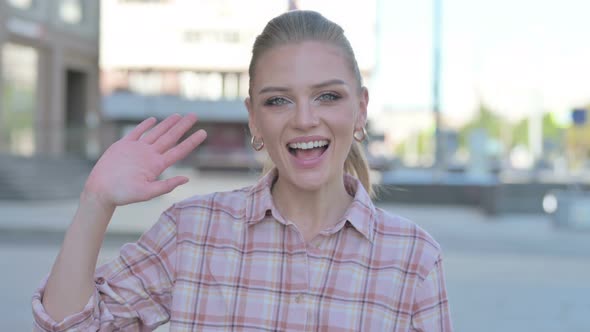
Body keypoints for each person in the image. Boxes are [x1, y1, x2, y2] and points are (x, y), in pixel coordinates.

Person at [33, 10, 452, 331]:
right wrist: (96, 201)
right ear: (253, 118)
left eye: (327, 96)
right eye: (278, 101)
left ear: (360, 109)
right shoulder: (192, 231)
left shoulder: (414, 258)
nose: (305, 119)